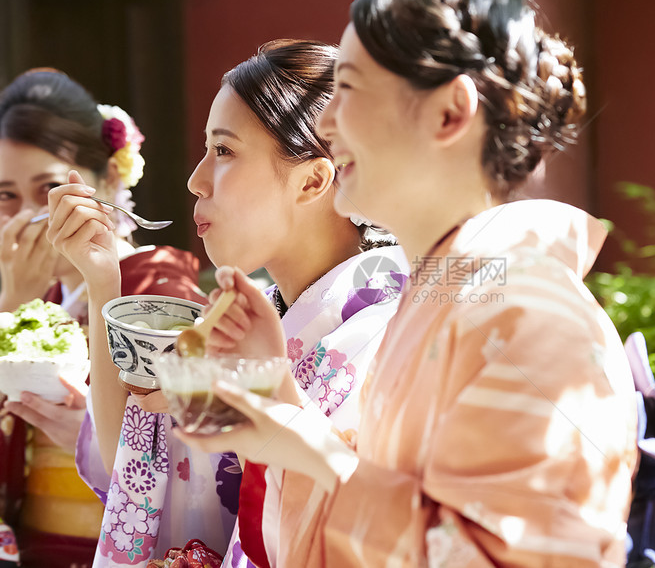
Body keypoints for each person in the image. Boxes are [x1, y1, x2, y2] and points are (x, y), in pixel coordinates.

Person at [180, 0, 640, 566]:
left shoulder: (535, 319)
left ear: (448, 114)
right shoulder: (443, 302)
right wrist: (278, 397)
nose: (323, 123)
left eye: (348, 90)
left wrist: (308, 445)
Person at [47, 40, 407, 567]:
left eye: (224, 150)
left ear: (313, 179)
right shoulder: (248, 317)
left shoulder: (388, 334)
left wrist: (245, 416)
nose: (196, 180)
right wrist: (102, 279)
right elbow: (132, 468)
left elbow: (355, 528)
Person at [0, 69, 204, 567]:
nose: (31, 215)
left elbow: (189, 461)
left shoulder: (160, 291)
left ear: (109, 179)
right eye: (6, 195)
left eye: (50, 188)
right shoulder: (34, 293)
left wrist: (97, 438)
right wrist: (12, 307)